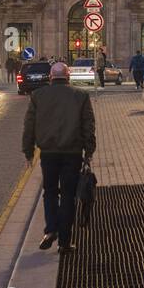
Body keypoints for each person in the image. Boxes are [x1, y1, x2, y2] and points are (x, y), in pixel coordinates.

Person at [21, 61, 95, 253]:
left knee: (50, 192)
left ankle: (51, 229)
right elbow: (88, 125)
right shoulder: (81, 95)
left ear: (51, 77)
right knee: (69, 196)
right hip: (72, 153)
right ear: (68, 76)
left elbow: (29, 126)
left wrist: (28, 151)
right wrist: (89, 151)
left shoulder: (37, 96)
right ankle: (64, 242)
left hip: (48, 153)